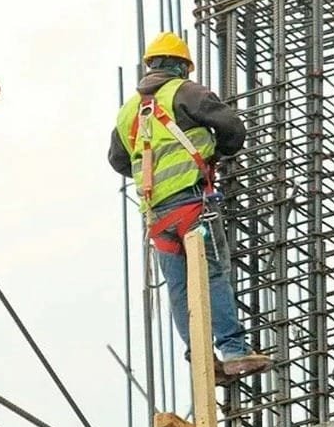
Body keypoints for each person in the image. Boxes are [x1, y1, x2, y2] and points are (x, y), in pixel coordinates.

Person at [108, 32, 271, 381]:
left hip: (157, 217)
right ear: (182, 65)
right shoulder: (186, 92)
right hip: (193, 203)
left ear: (149, 66)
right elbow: (232, 127)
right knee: (214, 274)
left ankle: (199, 357)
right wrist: (215, 153)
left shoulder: (127, 113)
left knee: (180, 288)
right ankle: (234, 350)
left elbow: (118, 160)